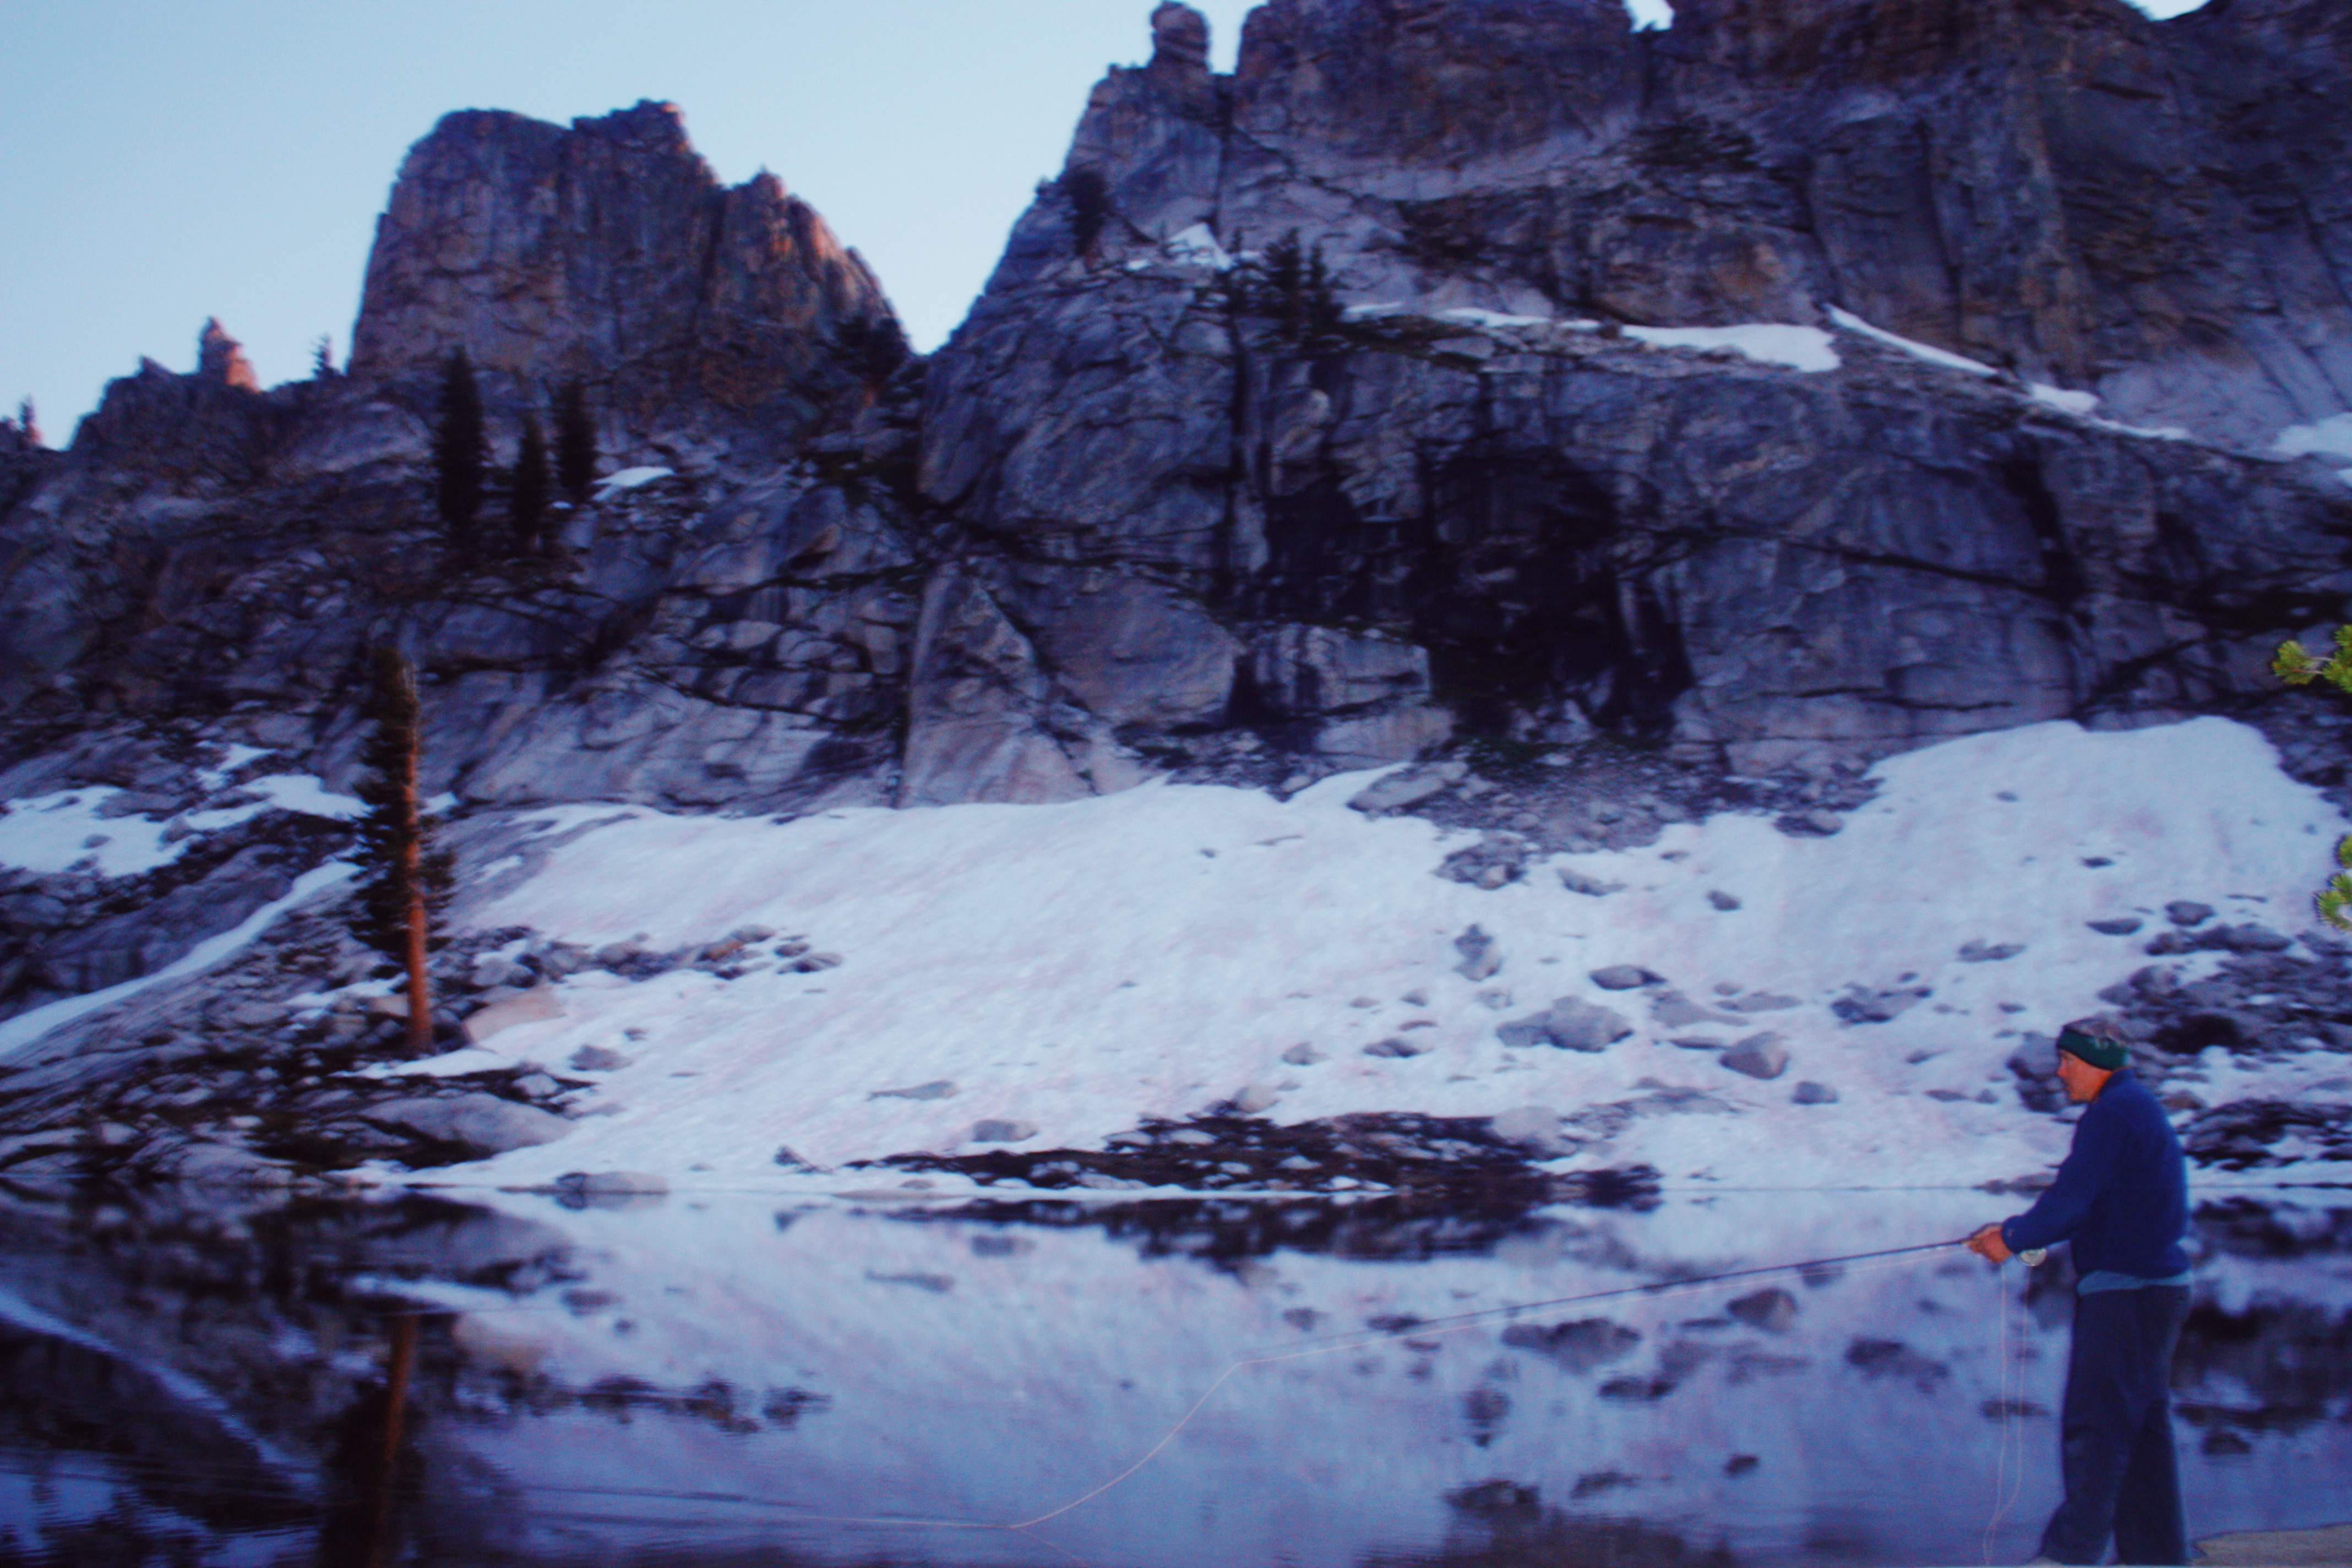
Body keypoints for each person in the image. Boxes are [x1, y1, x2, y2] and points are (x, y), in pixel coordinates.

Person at [1967, 1016, 2191, 1566]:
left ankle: (2070, 1556)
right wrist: (2015, 1234)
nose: (2060, 1072)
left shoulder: (2111, 1114)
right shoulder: (2136, 1106)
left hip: (2129, 1292)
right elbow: (2089, 1204)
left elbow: (2071, 1200)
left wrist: (2012, 1239)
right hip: (2157, 1290)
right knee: (2142, 1428)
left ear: (2096, 1062)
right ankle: (2157, 1557)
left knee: (2099, 1425)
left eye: (2068, 1061)